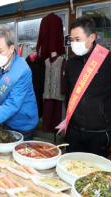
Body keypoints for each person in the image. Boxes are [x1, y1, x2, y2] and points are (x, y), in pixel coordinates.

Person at [59, 16, 111, 157]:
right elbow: (69, 96)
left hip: (99, 132)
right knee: (71, 165)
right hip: (74, 131)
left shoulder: (108, 61)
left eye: (78, 39)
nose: (74, 44)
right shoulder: (70, 63)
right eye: (72, 40)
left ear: (92, 37)